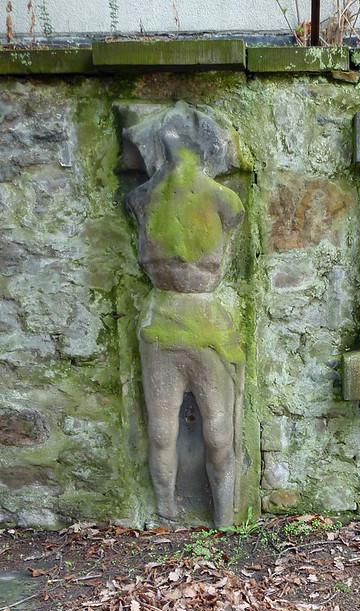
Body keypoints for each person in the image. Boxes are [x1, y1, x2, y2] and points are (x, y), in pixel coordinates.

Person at [122, 102, 245, 527]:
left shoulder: (223, 200)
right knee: (163, 431)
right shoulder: (142, 199)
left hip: (204, 326)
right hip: (163, 326)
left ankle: (224, 517)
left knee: (218, 430)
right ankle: (167, 513)